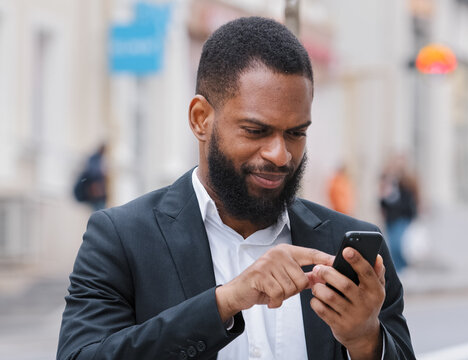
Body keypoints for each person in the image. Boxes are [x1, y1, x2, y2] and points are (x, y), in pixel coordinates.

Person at [57, 17, 414, 360]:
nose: (279, 155)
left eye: (296, 133)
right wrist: (225, 302)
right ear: (201, 119)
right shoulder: (122, 238)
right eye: (256, 131)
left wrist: (366, 342)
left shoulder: (350, 249)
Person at [379, 156, 419, 274]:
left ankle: (402, 267)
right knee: (392, 245)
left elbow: (413, 198)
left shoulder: (407, 181)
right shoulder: (387, 181)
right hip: (390, 218)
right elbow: (382, 201)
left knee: (398, 244)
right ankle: (397, 270)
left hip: (403, 217)